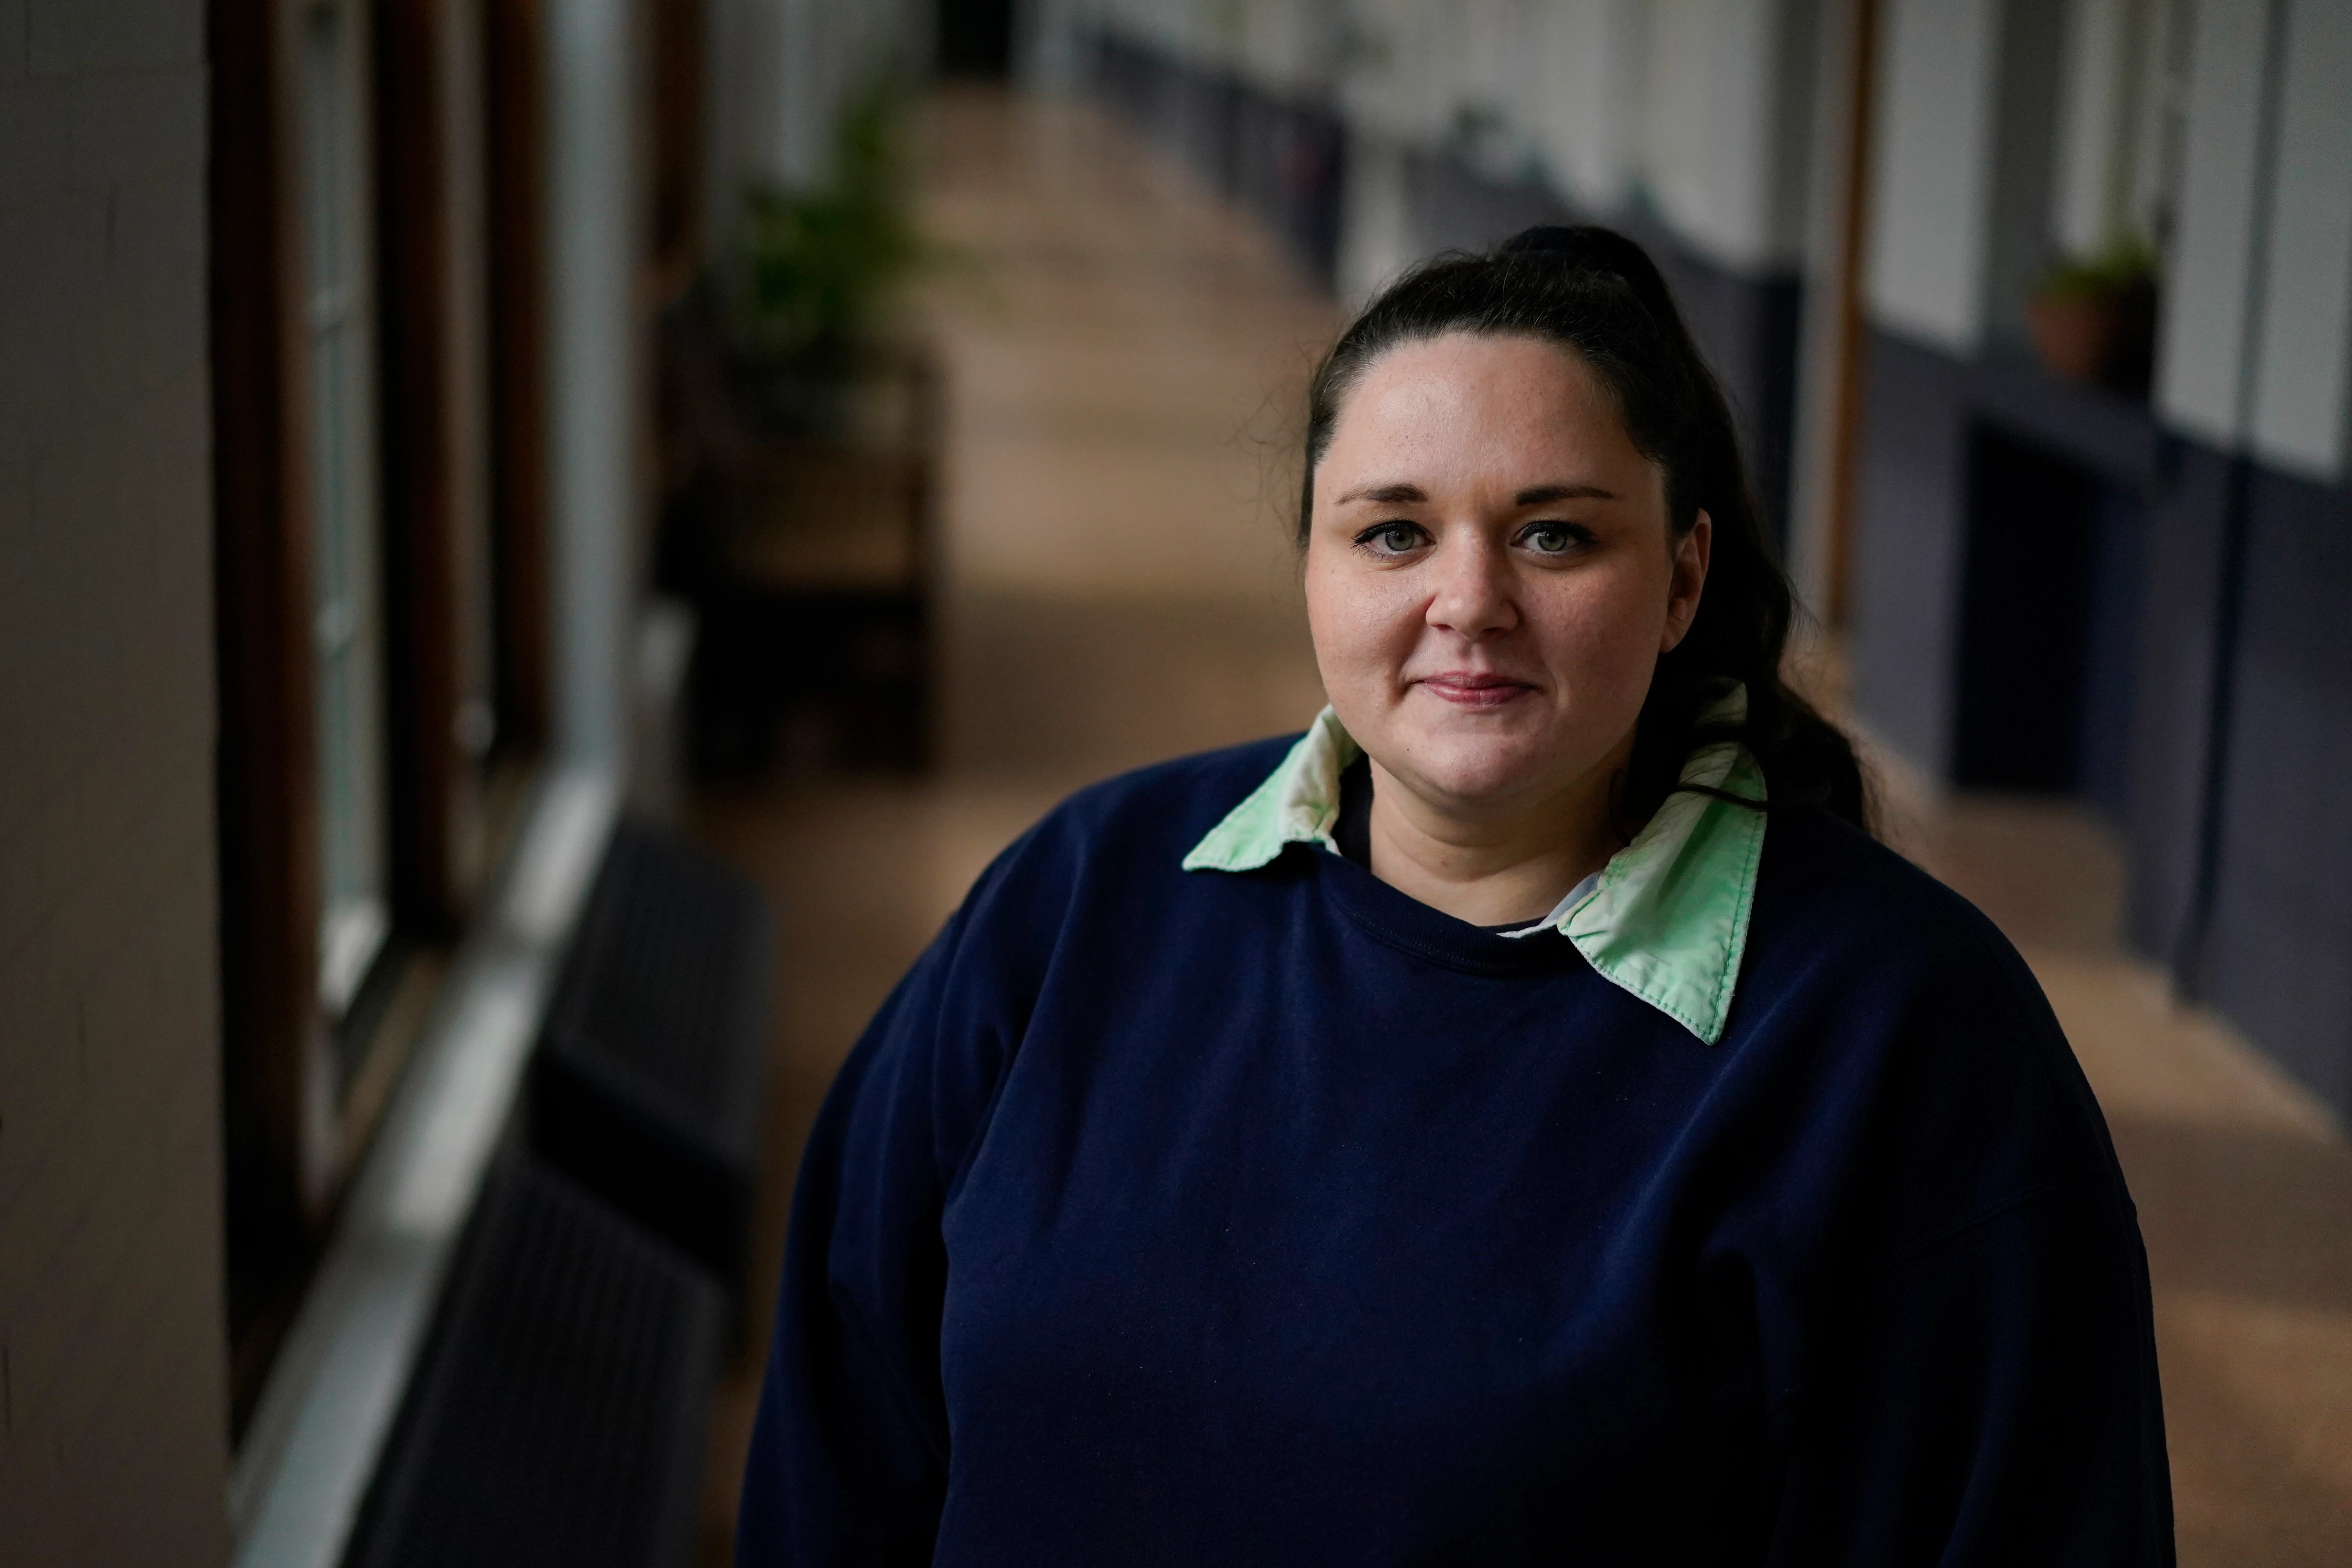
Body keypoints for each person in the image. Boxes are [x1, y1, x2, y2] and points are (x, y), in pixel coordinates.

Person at [735, 226, 2173, 1565]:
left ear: (1682, 582)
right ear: (1311, 563)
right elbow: (842, 1434)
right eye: (1392, 533)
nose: (1468, 600)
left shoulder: (1898, 1037)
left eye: (1555, 535)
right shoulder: (1080, 899)